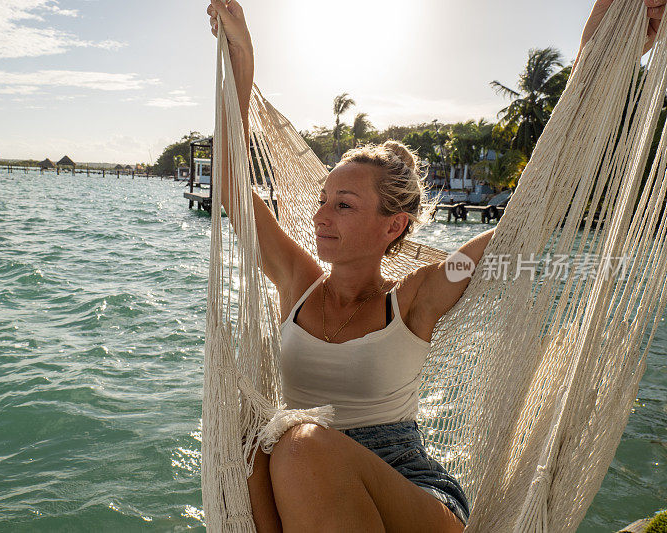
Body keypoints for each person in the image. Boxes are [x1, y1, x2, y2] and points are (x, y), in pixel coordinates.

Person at [205, 1, 666, 531]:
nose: (320, 214)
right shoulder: (297, 284)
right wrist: (242, 55)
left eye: (344, 204)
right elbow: (233, 184)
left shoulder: (417, 298)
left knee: (296, 444)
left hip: (408, 490)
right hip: (306, 478)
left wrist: (604, 54)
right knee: (243, 447)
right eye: (325, 198)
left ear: (393, 226)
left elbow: (531, 217)